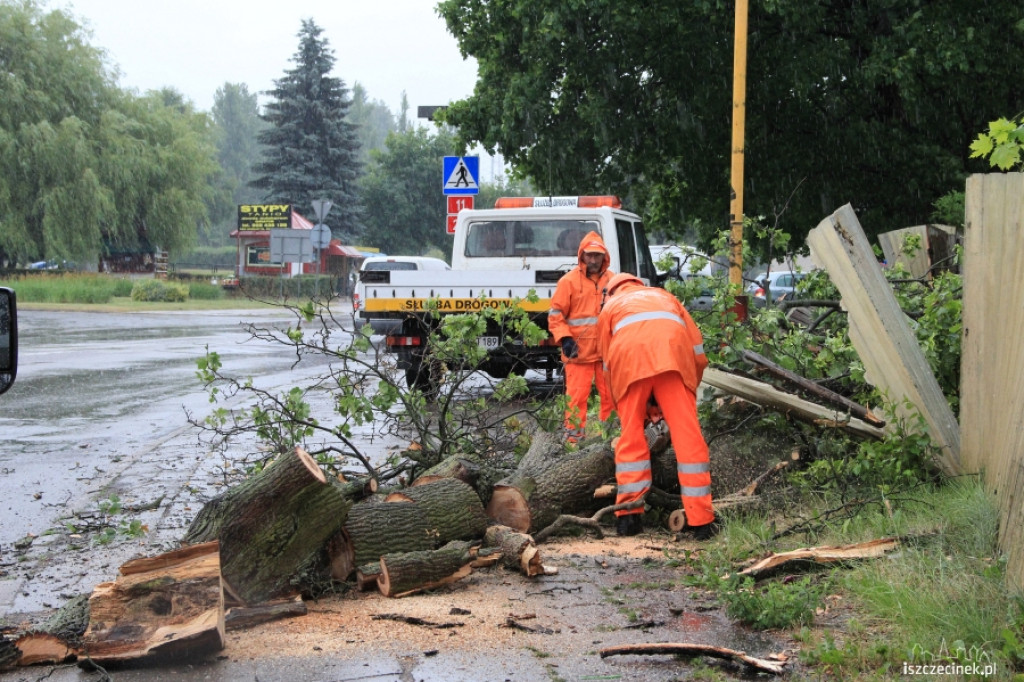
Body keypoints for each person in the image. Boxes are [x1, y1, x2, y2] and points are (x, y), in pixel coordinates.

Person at [596, 272, 717, 539]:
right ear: (639, 285)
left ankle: (628, 518)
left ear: (610, 292)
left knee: (630, 438)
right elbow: (698, 352)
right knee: (689, 439)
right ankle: (701, 521)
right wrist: (688, 388)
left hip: (628, 367)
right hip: (675, 361)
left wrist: (626, 409)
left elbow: (607, 368)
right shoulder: (665, 296)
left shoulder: (611, 308)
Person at [548, 231, 615, 441]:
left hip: (606, 353)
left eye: (597, 255)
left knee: (612, 398)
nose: (593, 260)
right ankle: (573, 443)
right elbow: (556, 314)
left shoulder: (614, 281)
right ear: (581, 256)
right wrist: (565, 339)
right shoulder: (568, 282)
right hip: (577, 353)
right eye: (589, 255)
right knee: (576, 400)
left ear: (604, 256)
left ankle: (609, 439)